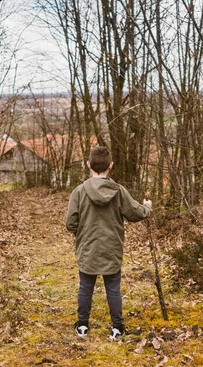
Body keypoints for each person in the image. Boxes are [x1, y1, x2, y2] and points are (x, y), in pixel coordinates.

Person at [65, 145, 152, 341]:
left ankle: (82, 326)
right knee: (113, 288)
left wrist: (81, 234)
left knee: (85, 287)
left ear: (88, 165)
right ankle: (117, 328)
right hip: (112, 249)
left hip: (87, 249)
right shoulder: (118, 191)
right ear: (110, 166)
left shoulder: (79, 192)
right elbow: (135, 213)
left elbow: (70, 223)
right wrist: (147, 208)